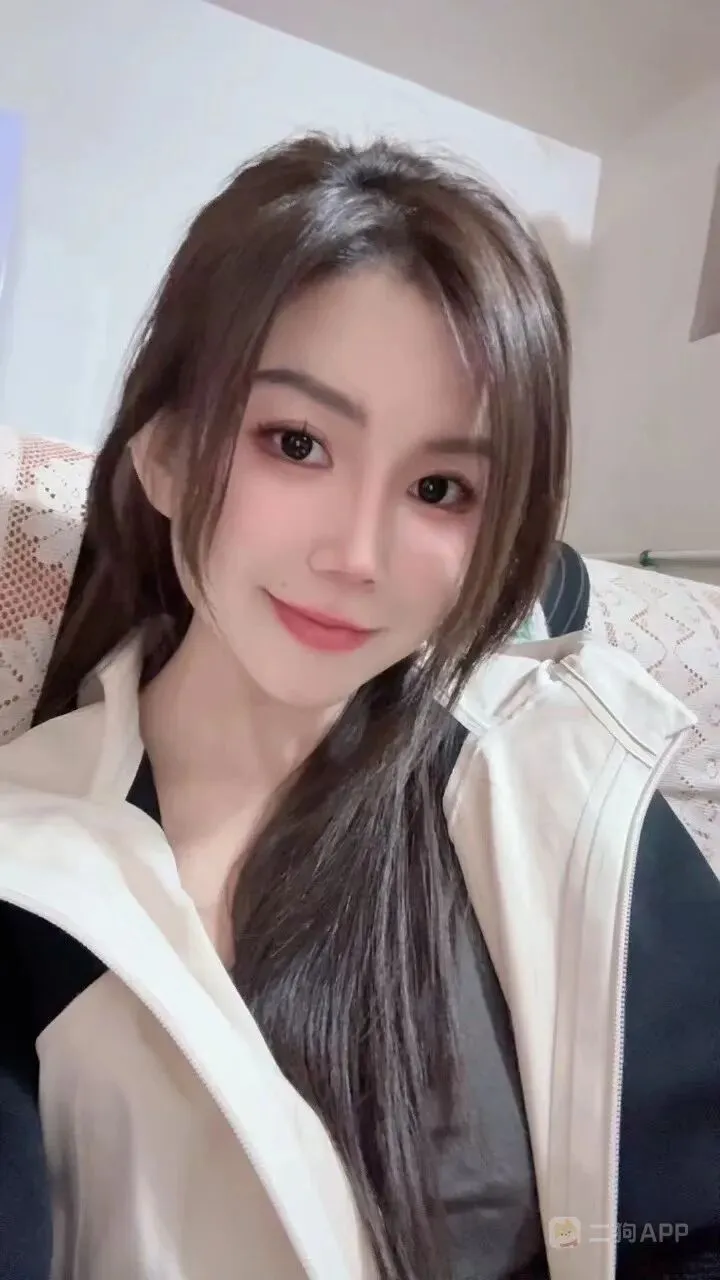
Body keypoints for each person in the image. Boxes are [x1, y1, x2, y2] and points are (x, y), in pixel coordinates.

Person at [0, 134, 717, 1280]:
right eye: (297, 442)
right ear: (167, 451)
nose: (358, 554)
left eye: (440, 487)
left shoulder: (569, 778)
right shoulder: (26, 863)